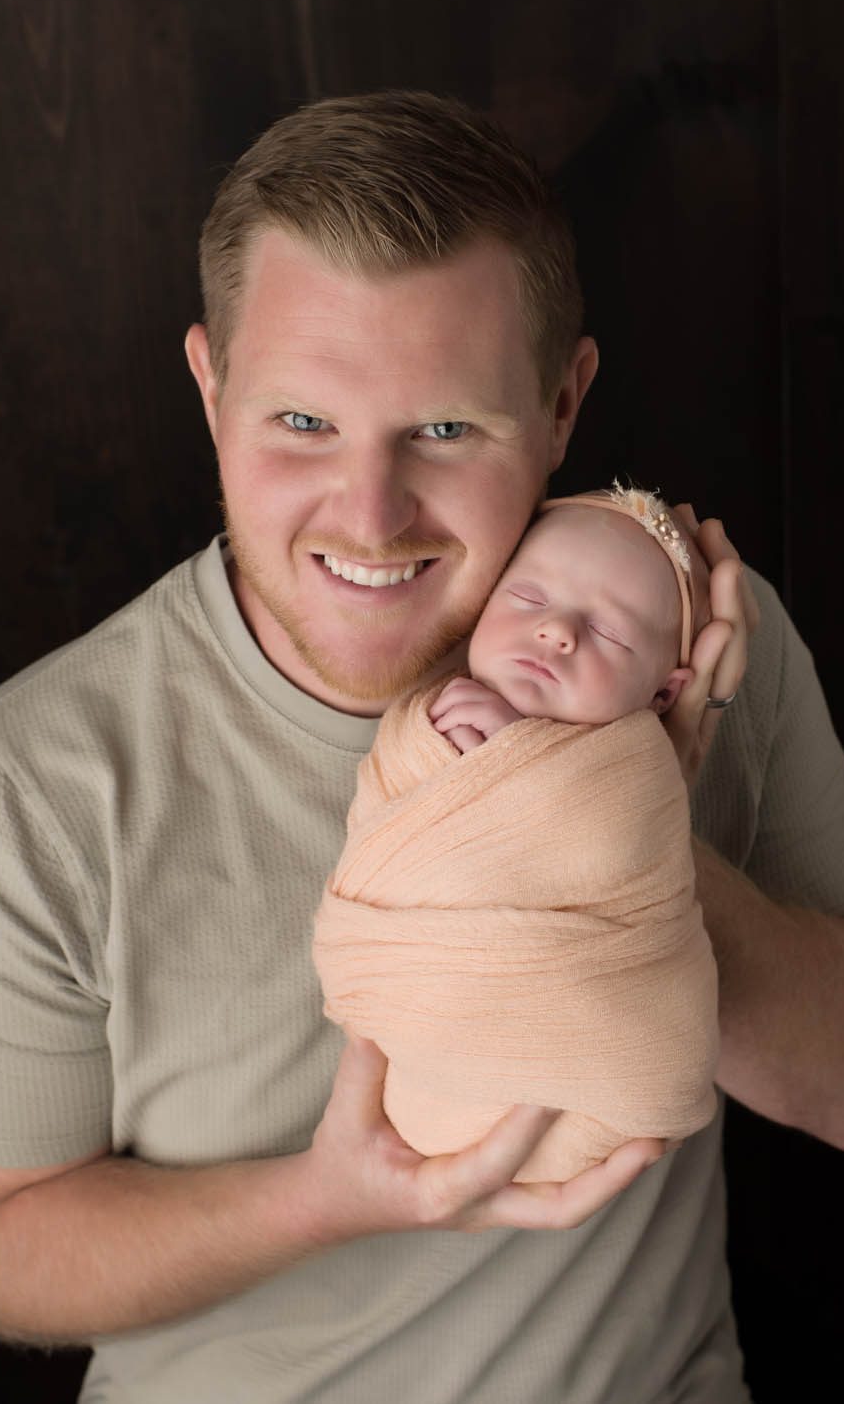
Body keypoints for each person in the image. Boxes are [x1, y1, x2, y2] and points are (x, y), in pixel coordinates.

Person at [0, 90, 844, 1404]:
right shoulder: (23, 787)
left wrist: (626, 832)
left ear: (565, 405)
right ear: (212, 387)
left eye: (445, 429)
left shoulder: (682, 646)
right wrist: (331, 1197)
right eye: (301, 423)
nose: (372, 516)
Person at [314, 486, 723, 1187]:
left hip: (601, 1087)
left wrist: (518, 768)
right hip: (423, 1064)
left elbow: (611, 845)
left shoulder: (639, 770)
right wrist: (451, 752)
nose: (558, 631)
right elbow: (377, 836)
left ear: (664, 693)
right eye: (528, 599)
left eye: (614, 634)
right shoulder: (423, 720)